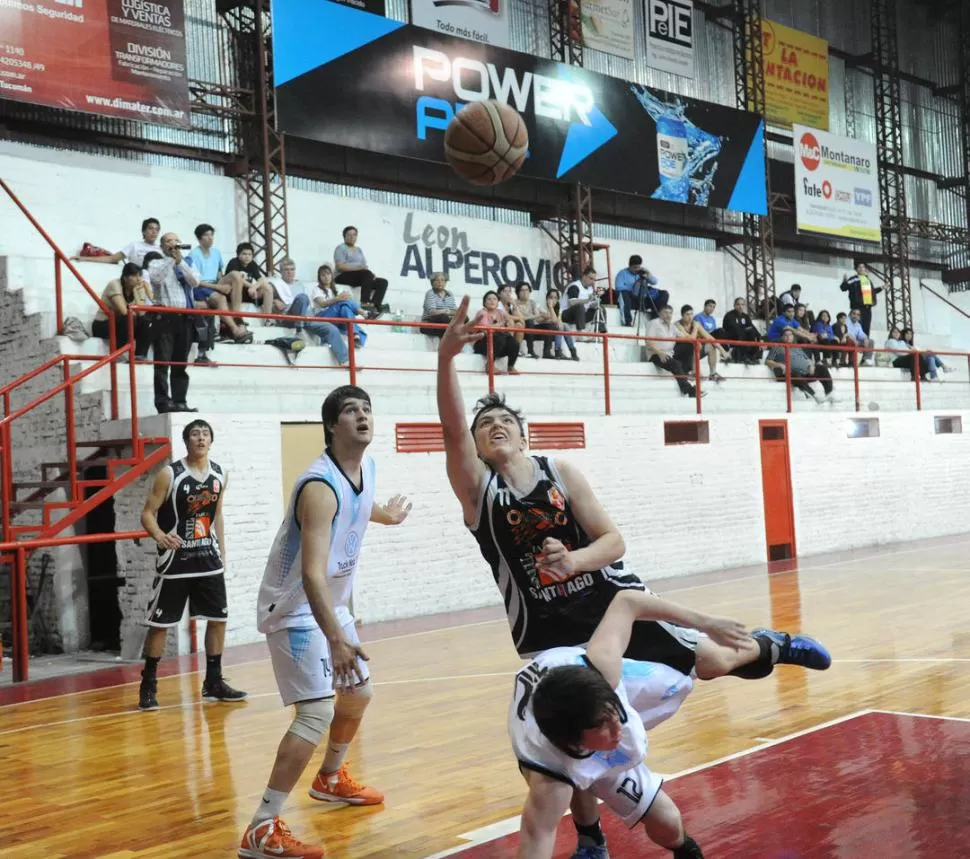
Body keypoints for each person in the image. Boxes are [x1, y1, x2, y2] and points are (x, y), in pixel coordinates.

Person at [436, 300, 831, 857]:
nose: (493, 427)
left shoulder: (561, 472)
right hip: (548, 633)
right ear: (477, 448)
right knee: (569, 730)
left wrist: (574, 561)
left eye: (504, 422)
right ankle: (592, 838)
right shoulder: (480, 495)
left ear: (524, 436)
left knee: (714, 663)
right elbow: (451, 429)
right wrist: (448, 358)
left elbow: (614, 542)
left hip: (609, 603)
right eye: (484, 426)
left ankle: (770, 644)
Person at [512, 588, 825, 859]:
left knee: (698, 671)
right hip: (562, 742)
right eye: (604, 730)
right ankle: (593, 840)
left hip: (581, 682)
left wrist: (707, 623)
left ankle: (767, 646)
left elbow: (627, 601)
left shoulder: (602, 666)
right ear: (577, 743)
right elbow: (536, 840)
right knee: (595, 788)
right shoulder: (549, 777)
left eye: (612, 716)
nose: (617, 731)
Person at [239, 386, 411, 859]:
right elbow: (312, 572)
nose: (362, 416)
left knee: (358, 693)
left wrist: (385, 516)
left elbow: (358, 503)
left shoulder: (365, 469)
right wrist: (335, 638)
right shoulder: (317, 487)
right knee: (315, 712)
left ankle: (331, 778)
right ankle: (261, 826)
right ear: (332, 426)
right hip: (296, 609)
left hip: (329, 607)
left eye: (367, 409)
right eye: (351, 411)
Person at [138, 420, 247, 710]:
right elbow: (147, 513)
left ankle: (213, 681)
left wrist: (222, 550)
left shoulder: (220, 474)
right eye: (195, 434)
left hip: (207, 559)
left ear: (211, 440)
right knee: (159, 624)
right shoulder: (169, 474)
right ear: (186, 441)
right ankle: (148, 684)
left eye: (205, 434)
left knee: (218, 618)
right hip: (175, 560)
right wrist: (160, 536)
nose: (201, 438)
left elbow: (217, 515)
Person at [148, 232, 200, 414]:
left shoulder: (187, 263)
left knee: (180, 363)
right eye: (168, 241)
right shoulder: (156, 263)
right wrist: (171, 260)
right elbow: (156, 278)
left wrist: (180, 262)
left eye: (175, 241)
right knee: (162, 363)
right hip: (165, 318)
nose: (173, 244)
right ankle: (163, 402)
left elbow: (195, 282)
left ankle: (180, 401)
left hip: (184, 318)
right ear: (162, 247)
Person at [187, 224, 251, 342]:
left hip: (215, 283)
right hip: (202, 285)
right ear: (199, 238)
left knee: (236, 274)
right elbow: (196, 282)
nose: (210, 238)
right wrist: (220, 287)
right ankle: (235, 330)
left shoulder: (216, 252)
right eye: (206, 235)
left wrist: (225, 284)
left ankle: (237, 316)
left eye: (211, 235)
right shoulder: (193, 255)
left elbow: (219, 273)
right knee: (221, 298)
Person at [91, 262, 154, 358]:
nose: (138, 279)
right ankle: (117, 353)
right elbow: (124, 311)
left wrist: (136, 294)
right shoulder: (114, 284)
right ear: (125, 278)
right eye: (134, 276)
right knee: (129, 318)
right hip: (103, 325)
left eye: (139, 276)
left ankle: (140, 355)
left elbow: (141, 314)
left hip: (124, 324)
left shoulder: (138, 288)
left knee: (147, 322)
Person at [765, 328, 835, 403]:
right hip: (790, 374)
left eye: (790, 335)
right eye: (786, 335)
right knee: (794, 373)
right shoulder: (777, 347)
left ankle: (829, 394)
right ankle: (814, 395)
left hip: (805, 373)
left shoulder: (797, 347)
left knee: (822, 368)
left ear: (793, 337)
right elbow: (768, 361)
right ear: (782, 337)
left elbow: (808, 359)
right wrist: (778, 364)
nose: (788, 337)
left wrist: (811, 365)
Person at [644, 305, 700, 398]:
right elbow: (649, 340)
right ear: (660, 314)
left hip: (670, 354)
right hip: (656, 354)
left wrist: (695, 328)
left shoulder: (672, 326)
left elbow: (687, 338)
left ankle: (685, 376)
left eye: (670, 313)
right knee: (676, 364)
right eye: (665, 312)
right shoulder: (654, 323)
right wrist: (659, 352)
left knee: (689, 346)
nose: (668, 315)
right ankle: (689, 390)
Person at [333, 225, 389, 314]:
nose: (352, 237)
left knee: (382, 282)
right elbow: (340, 266)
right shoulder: (341, 248)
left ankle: (375, 306)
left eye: (354, 235)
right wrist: (360, 269)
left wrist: (371, 275)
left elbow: (364, 266)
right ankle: (365, 302)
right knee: (366, 274)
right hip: (342, 276)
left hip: (358, 276)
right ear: (344, 237)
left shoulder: (359, 250)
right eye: (349, 235)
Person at [74, 217, 160, 268]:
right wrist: (84, 258)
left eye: (157, 229)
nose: (154, 232)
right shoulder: (135, 246)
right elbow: (112, 259)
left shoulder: (161, 249)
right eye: (151, 228)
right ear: (144, 231)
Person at [675, 304, 729, 384]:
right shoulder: (678, 325)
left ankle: (713, 374)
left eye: (691, 314)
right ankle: (694, 372)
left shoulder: (695, 323)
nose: (690, 317)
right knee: (695, 344)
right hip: (681, 356)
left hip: (693, 353)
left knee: (710, 345)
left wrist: (722, 350)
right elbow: (691, 340)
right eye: (687, 314)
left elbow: (709, 337)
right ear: (682, 316)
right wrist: (696, 328)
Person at [472, 290, 519, 374]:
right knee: (499, 336)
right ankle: (489, 366)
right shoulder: (482, 312)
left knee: (513, 342)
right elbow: (485, 329)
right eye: (489, 299)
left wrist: (510, 323)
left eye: (494, 299)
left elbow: (510, 322)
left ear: (498, 302)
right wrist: (501, 324)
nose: (492, 301)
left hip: (498, 346)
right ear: (484, 302)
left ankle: (510, 367)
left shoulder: (501, 312)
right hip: (481, 345)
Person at [225, 242, 275, 317]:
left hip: (248, 292)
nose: (247, 257)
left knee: (268, 287)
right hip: (234, 292)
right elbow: (238, 279)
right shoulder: (233, 262)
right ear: (238, 255)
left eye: (249, 254)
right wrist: (252, 286)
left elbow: (261, 279)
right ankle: (237, 318)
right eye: (244, 254)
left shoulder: (252, 264)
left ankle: (268, 319)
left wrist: (254, 287)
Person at [613, 256, 663, 326]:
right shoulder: (622, 273)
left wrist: (648, 275)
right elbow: (618, 287)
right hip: (631, 297)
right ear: (629, 266)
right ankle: (627, 321)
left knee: (663, 294)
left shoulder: (642, 272)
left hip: (643, 295)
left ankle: (656, 317)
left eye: (638, 267)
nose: (637, 269)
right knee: (623, 293)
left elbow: (654, 282)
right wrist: (634, 286)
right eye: (634, 267)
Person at [840, 260, 882, 336]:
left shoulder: (868, 280)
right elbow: (843, 288)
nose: (861, 268)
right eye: (859, 267)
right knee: (857, 327)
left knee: (866, 329)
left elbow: (872, 292)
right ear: (856, 269)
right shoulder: (854, 279)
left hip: (867, 308)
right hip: (857, 308)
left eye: (863, 267)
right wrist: (844, 281)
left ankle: (865, 345)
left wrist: (881, 288)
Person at [721, 297, 761, 364]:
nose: (740, 306)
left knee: (752, 332)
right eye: (738, 304)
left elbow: (752, 327)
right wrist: (745, 329)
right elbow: (733, 327)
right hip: (731, 336)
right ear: (734, 305)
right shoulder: (729, 315)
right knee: (739, 331)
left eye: (742, 304)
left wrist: (760, 338)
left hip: (742, 336)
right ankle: (743, 357)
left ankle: (753, 357)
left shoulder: (746, 316)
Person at [421, 272, 458, 337]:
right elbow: (432, 312)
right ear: (432, 282)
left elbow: (455, 311)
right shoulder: (430, 293)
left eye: (442, 280)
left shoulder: (449, 294)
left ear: (446, 282)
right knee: (443, 317)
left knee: (464, 318)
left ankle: (452, 334)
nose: (440, 283)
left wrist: (448, 312)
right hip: (429, 324)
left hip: (446, 323)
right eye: (437, 280)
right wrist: (447, 311)